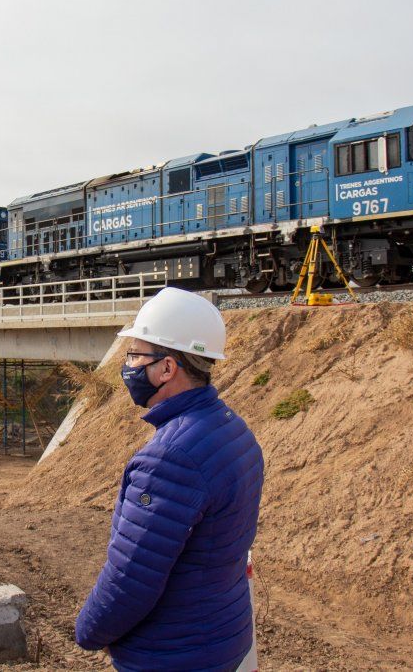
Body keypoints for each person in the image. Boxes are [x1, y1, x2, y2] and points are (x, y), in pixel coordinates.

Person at [75, 287, 264, 671]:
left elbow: (132, 578)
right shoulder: (232, 429)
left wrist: (88, 632)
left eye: (135, 354)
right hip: (220, 636)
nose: (127, 365)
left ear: (166, 368)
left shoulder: (171, 458)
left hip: (172, 654)